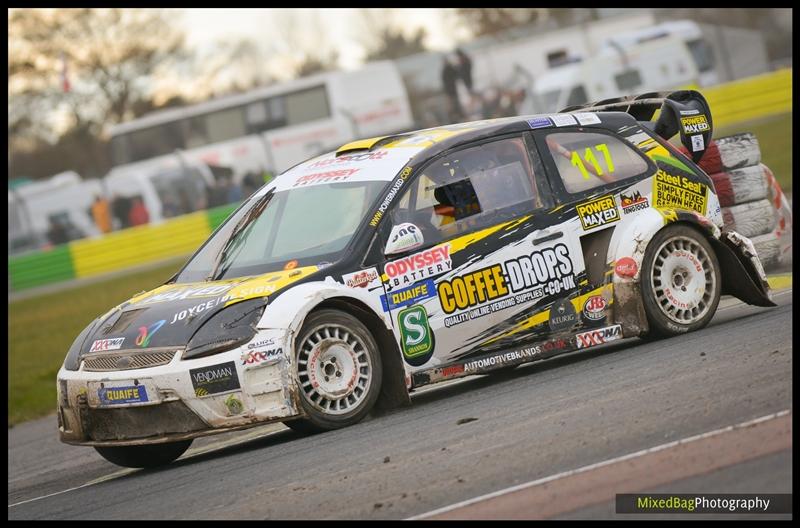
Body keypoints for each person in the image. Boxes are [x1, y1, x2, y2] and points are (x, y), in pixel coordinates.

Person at [441, 54, 463, 123]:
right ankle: (457, 116)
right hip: (452, 91)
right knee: (455, 104)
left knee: (454, 105)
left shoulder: (446, 70)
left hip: (452, 91)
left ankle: (457, 116)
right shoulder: (448, 69)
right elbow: (457, 75)